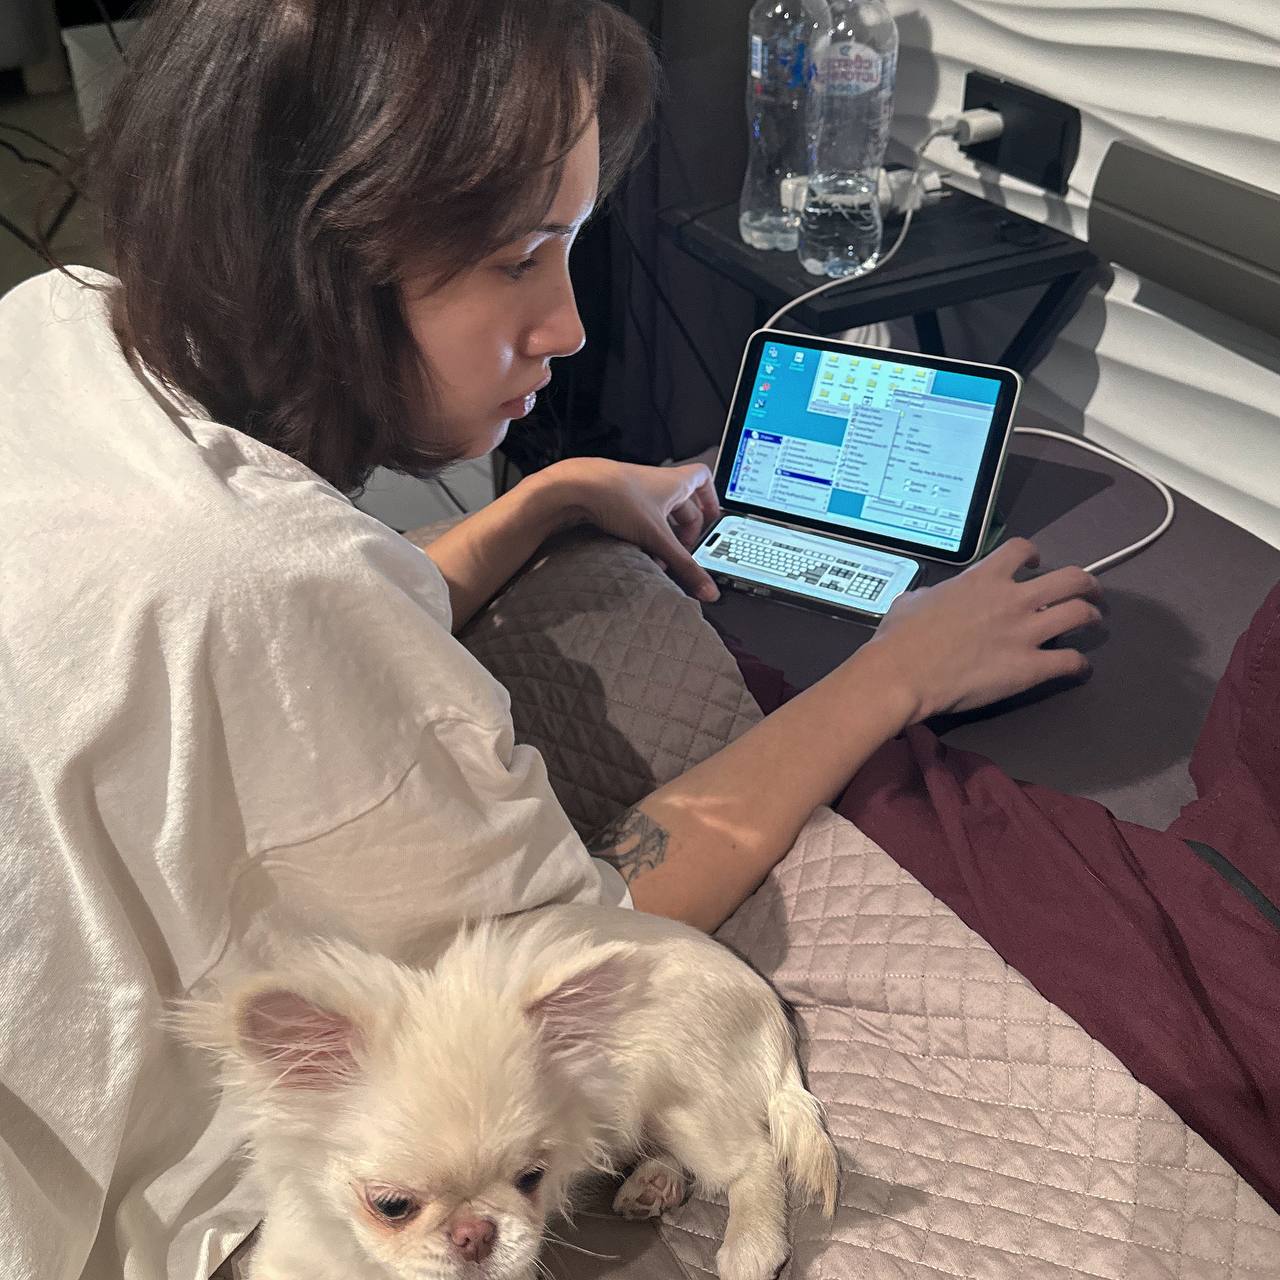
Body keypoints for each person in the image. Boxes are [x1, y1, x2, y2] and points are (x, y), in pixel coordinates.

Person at [0, 0, 1102, 1275]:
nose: (567, 325)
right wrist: (898, 671)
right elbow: (595, 929)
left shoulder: (60, 318)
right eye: (522, 255)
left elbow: (275, 645)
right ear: (319, 251)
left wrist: (548, 497)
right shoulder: (262, 581)